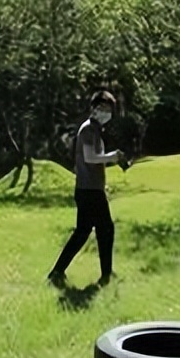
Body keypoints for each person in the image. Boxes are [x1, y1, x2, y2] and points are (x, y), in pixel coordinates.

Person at [48, 90, 122, 287]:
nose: (106, 113)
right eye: (103, 108)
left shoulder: (95, 130)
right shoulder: (89, 130)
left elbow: (93, 159)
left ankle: (57, 272)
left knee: (85, 232)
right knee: (104, 229)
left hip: (90, 188)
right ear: (93, 108)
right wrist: (111, 156)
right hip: (89, 190)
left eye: (109, 109)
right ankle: (105, 275)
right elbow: (90, 157)